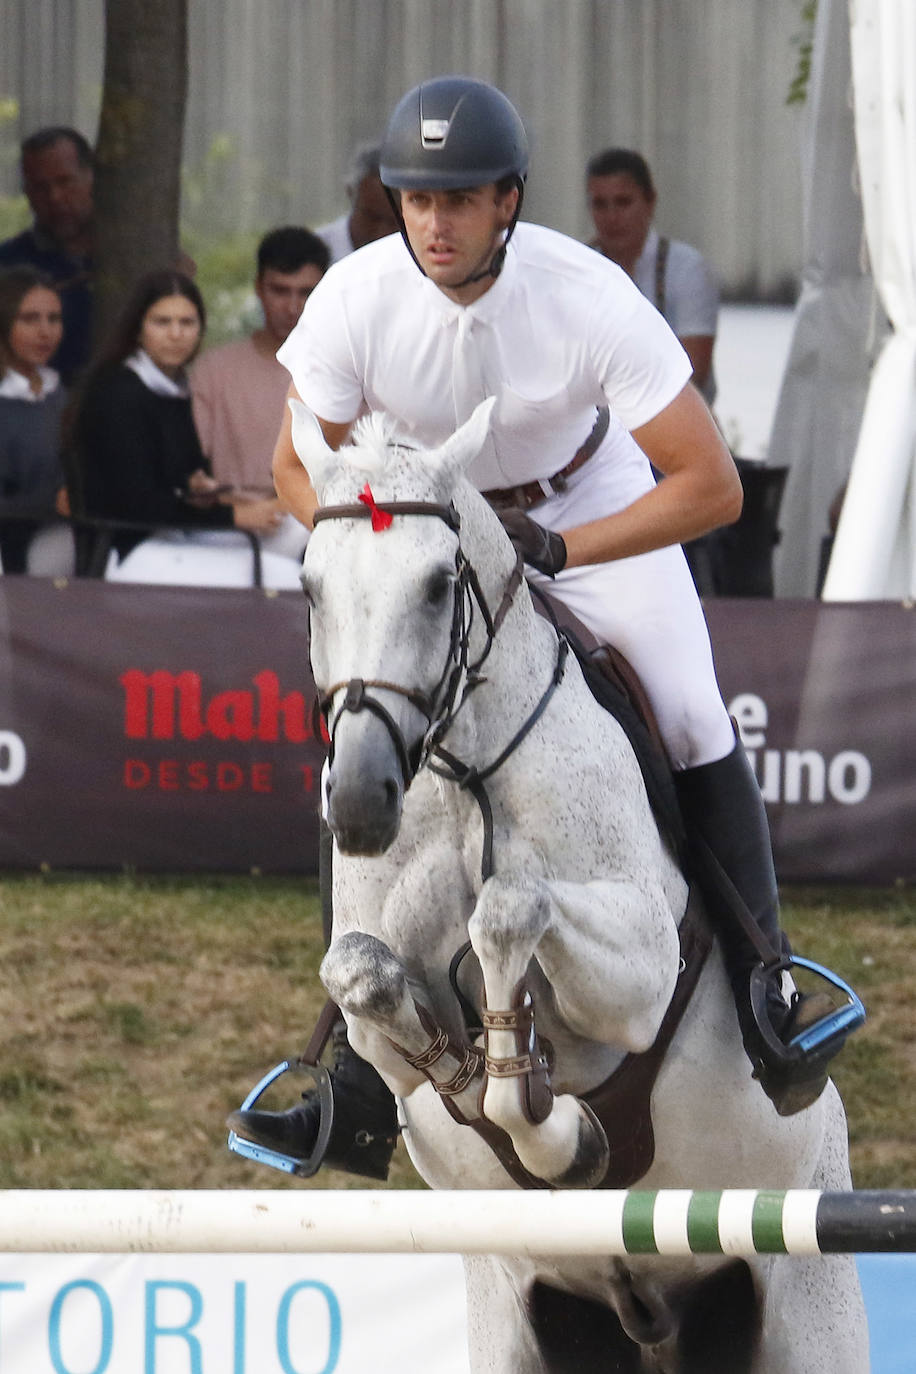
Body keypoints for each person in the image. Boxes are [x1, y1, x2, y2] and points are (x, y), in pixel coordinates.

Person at [232, 77, 858, 1177]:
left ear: (508, 202)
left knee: (689, 710)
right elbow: (300, 466)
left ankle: (771, 989)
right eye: (416, 200)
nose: (434, 224)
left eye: (460, 201)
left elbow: (709, 486)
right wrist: (376, 540)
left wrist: (565, 551)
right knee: (362, 737)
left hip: (584, 509)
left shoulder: (587, 296)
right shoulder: (354, 296)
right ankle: (347, 1080)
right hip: (425, 529)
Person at [70, 269, 282, 569]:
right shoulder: (118, 393)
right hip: (129, 549)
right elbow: (137, 503)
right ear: (138, 329)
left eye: (187, 322)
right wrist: (236, 515)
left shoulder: (174, 388)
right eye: (162, 322)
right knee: (287, 578)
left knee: (293, 531)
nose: (176, 334)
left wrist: (199, 485)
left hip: (179, 536)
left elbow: (184, 472)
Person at [191, 226, 328, 567]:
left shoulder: (341, 370)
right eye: (280, 291)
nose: (293, 306)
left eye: (306, 292)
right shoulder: (214, 369)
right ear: (258, 289)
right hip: (233, 523)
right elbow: (191, 465)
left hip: (314, 521)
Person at [586, 147, 719, 406]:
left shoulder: (687, 269)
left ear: (650, 201)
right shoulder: (577, 269)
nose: (612, 217)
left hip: (672, 424)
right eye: (600, 204)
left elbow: (692, 379)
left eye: (623, 202)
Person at [0, 128, 95, 385]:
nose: (54, 197)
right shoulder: (8, 266)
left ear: (92, 178)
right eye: (41, 187)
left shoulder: (129, 254)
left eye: (65, 182)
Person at [0, 266, 72, 573]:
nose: (46, 332)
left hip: (61, 539)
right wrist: (52, 502)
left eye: (54, 319)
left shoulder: (60, 393)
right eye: (30, 319)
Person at [314, 141, 399, 263]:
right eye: (372, 218)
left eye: (394, 222)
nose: (382, 233)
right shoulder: (315, 254)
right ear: (350, 193)